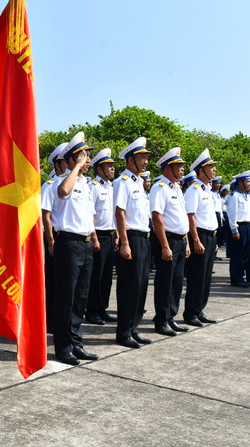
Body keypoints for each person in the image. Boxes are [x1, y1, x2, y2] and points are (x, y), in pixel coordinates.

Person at [48, 132, 99, 365]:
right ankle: (63, 346)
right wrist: (76, 167)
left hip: (85, 244)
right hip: (67, 244)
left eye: (87, 157)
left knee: (80, 298)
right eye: (83, 156)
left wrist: (95, 237)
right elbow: (64, 193)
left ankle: (76, 342)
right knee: (65, 298)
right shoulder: (61, 181)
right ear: (71, 160)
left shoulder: (86, 185)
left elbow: (89, 216)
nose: (87, 160)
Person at [113, 137, 153, 349]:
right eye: (142, 158)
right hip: (132, 238)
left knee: (141, 286)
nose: (146, 162)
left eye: (146, 157)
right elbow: (120, 213)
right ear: (131, 160)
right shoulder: (123, 182)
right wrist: (125, 243)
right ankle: (123, 331)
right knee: (129, 286)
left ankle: (134, 328)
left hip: (144, 238)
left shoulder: (139, 183)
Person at [149, 148, 190, 336]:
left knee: (176, 282)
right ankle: (161, 319)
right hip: (168, 240)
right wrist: (165, 245)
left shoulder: (176, 188)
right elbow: (157, 217)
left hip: (180, 240)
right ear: (168, 168)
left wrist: (187, 242)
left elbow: (182, 218)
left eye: (182, 166)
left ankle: (171, 317)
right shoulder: (160, 188)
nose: (182, 169)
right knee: (165, 281)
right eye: (178, 166)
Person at [182, 149, 219, 327]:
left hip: (210, 236)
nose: (214, 170)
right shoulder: (194, 190)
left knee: (206, 277)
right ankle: (190, 313)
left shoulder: (207, 190)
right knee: (197, 276)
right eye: (211, 167)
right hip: (200, 236)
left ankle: (199, 309)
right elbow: (191, 216)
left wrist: (215, 239)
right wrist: (196, 240)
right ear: (201, 171)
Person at [85, 148, 118, 325]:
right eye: (108, 166)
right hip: (98, 236)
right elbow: (90, 214)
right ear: (99, 169)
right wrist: (94, 237)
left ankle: (102, 308)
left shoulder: (111, 187)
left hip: (111, 235)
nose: (112, 169)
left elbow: (113, 214)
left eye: (113, 166)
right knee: (95, 276)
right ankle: (92, 311)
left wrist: (118, 235)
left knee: (106, 276)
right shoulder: (94, 187)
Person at [41, 142, 68, 332]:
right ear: (57, 165)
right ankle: (48, 319)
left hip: (66, 239)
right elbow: (46, 215)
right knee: (51, 281)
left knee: (64, 284)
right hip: (52, 237)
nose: (68, 165)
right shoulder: (49, 185)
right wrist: (50, 241)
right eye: (64, 162)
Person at [225, 171, 250, 287]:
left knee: (245, 254)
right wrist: (234, 230)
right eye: (247, 181)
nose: (249, 184)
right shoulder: (234, 196)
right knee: (238, 254)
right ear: (240, 182)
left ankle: (241, 277)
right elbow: (232, 214)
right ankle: (236, 278)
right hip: (239, 226)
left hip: (247, 226)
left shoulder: (246, 195)